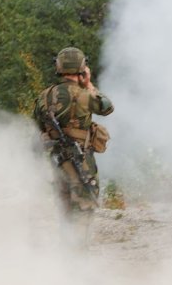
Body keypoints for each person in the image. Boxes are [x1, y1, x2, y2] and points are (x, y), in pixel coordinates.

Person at [33, 46, 114, 236]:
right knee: (83, 212)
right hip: (81, 162)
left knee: (64, 211)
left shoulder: (45, 96)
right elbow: (107, 107)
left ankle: (65, 257)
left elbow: (39, 124)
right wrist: (89, 84)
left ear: (59, 67)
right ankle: (78, 259)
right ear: (82, 67)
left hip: (57, 161)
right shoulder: (85, 95)